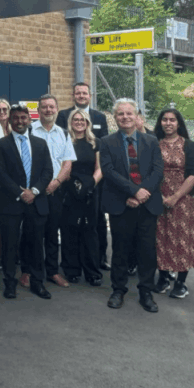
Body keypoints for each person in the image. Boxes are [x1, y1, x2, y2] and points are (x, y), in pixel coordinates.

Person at [100, 98, 164, 314]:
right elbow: (109, 172)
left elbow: (157, 171)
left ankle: (146, 291)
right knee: (120, 250)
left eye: (129, 113)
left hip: (147, 205)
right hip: (121, 204)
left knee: (147, 250)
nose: (125, 117)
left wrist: (142, 193)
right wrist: (132, 191)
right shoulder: (107, 142)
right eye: (120, 114)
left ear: (136, 116)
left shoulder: (151, 141)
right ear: (115, 118)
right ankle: (118, 290)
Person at [0, 104, 54, 300]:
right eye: (16, 118)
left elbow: (48, 172)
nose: (20, 121)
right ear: (10, 121)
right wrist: (21, 194)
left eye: (23, 118)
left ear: (29, 120)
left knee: (36, 244)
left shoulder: (40, 144)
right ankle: (9, 283)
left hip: (36, 201)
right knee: (10, 245)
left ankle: (38, 283)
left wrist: (34, 191)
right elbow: (0, 174)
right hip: (12, 202)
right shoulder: (1, 144)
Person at [56, 82, 110, 269]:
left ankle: (99, 259)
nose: (81, 95)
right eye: (77, 93)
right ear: (73, 95)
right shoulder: (62, 116)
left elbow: (104, 148)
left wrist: (92, 183)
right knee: (70, 226)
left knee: (95, 224)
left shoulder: (100, 117)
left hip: (92, 185)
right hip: (68, 185)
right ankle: (72, 265)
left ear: (90, 95)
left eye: (84, 93)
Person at [152, 107, 194, 299]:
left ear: (179, 123)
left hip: (183, 200)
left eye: (172, 120)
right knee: (160, 238)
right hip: (158, 198)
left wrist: (175, 197)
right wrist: (159, 196)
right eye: (164, 119)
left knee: (182, 240)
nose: (168, 123)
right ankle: (163, 277)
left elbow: (193, 175)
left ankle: (181, 282)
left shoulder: (188, 145)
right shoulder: (154, 144)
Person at [31, 94, 76, 289]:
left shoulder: (63, 133)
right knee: (33, 233)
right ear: (38, 110)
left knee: (51, 233)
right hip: (35, 191)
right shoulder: (29, 130)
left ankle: (52, 271)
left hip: (56, 190)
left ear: (57, 110)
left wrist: (56, 182)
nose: (48, 110)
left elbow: (67, 163)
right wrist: (39, 186)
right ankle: (29, 271)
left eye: (52, 107)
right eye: (44, 107)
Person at [62, 109, 103, 287]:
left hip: (90, 191)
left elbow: (99, 168)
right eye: (76, 119)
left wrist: (90, 184)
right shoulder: (65, 141)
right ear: (71, 122)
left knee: (90, 232)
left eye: (82, 120)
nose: (79, 122)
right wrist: (71, 185)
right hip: (69, 190)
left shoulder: (95, 143)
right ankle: (71, 270)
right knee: (69, 231)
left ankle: (92, 272)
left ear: (87, 123)